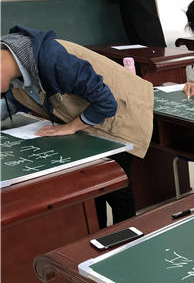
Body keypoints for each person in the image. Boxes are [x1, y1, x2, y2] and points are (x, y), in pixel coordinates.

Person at [0, 25, 153, 228]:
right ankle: (96, 236)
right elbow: (14, 100)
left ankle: (128, 238)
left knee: (116, 186)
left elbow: (106, 103)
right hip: (86, 116)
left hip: (120, 113)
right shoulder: (13, 61)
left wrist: (71, 127)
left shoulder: (52, 59)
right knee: (93, 187)